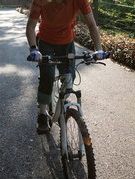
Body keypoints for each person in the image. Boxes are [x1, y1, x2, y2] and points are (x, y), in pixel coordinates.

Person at [26, 0, 106, 134]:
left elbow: (91, 24)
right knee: (47, 76)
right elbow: (30, 26)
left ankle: (63, 101)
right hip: (46, 41)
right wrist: (34, 49)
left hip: (67, 42)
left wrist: (98, 49)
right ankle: (42, 113)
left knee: (70, 77)